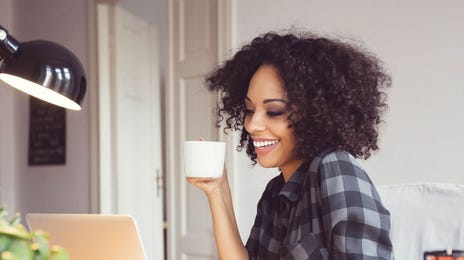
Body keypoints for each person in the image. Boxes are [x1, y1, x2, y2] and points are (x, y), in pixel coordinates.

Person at [187, 31, 394, 260]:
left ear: (315, 115)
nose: (252, 125)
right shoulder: (274, 195)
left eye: (274, 111)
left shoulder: (336, 169)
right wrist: (218, 191)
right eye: (249, 110)